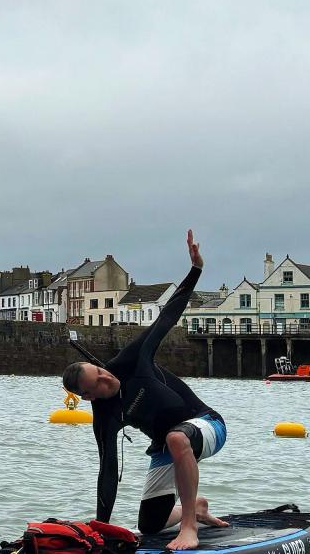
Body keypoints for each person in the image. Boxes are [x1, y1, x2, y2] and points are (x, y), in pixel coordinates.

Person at [61, 230, 228, 551]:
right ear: (89, 397)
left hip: (207, 425)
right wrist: (100, 531)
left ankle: (189, 527)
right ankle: (197, 509)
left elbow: (166, 317)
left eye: (101, 372)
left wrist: (195, 271)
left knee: (177, 437)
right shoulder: (105, 416)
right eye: (98, 383)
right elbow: (107, 473)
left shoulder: (131, 359)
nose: (107, 378)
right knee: (149, 523)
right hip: (168, 447)